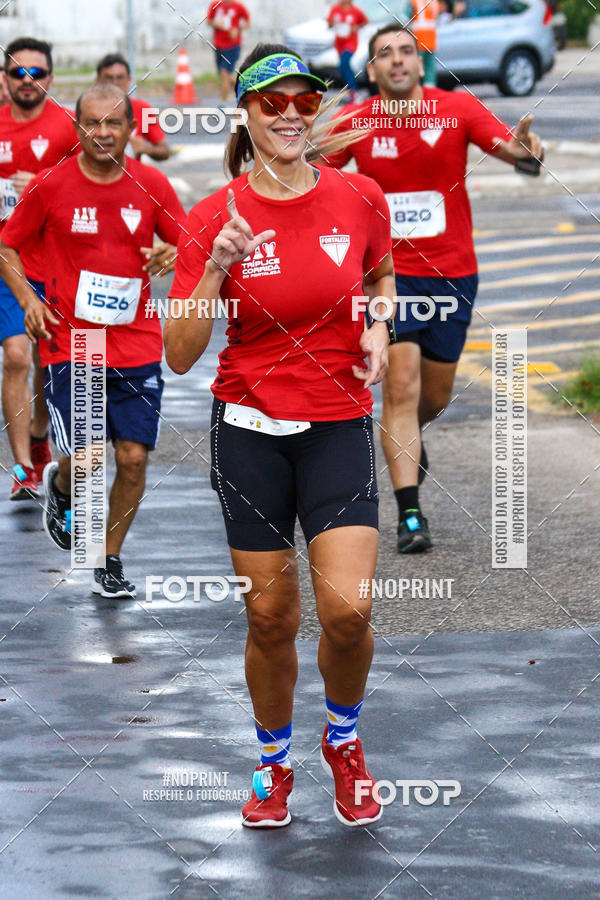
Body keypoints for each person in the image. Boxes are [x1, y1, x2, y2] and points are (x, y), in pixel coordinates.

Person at [164, 44, 395, 828]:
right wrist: (214, 269)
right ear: (248, 114)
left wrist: (378, 325)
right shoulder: (214, 216)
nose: (291, 113)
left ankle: (345, 741)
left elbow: (380, 272)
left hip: (336, 425)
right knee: (269, 618)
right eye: (273, 102)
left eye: (304, 100)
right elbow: (180, 353)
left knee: (348, 612)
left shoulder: (359, 195)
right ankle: (271, 763)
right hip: (250, 434)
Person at [325, 25, 542, 553]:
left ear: (420, 64)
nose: (397, 61)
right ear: (371, 71)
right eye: (384, 55)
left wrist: (530, 151)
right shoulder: (355, 122)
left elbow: (519, 155)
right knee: (400, 388)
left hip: (453, 274)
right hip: (387, 278)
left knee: (434, 397)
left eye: (406, 52)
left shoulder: (458, 109)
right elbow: (301, 182)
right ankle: (410, 516)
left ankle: (408, 442)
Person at [0, 82, 185, 597]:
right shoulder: (49, 185)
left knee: (131, 458)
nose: (103, 132)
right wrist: (29, 300)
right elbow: (6, 245)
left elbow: (187, 240)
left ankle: (110, 559)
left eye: (113, 123)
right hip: (73, 342)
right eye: (92, 123)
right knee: (84, 461)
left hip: (138, 342)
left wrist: (174, 253)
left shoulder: (152, 185)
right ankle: (60, 488)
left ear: (130, 128)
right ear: (77, 127)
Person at [0, 36, 79, 501]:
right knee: (15, 355)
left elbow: (101, 182)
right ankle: (24, 467)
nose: (27, 81)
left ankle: (37, 431)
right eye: (17, 73)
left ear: (51, 79)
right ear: (5, 79)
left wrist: (46, 184)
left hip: (54, 261)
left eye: (38, 74)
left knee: (50, 363)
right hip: (6, 258)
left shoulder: (70, 127)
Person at [96, 53, 171, 162]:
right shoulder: (87, 111)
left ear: (129, 79)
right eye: (109, 78)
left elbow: (164, 151)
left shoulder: (141, 109)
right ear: (97, 80)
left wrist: (146, 149)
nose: (115, 83)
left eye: (120, 77)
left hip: (130, 177)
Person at [206, 0, 250, 104]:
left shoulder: (238, 6)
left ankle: (222, 104)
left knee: (224, 74)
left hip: (233, 46)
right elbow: (208, 21)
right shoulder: (215, 5)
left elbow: (248, 23)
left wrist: (237, 29)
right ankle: (246, 88)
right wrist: (214, 23)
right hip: (218, 46)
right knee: (225, 76)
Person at [327, 0, 368, 104]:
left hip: (351, 42)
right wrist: (333, 23)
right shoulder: (335, 9)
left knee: (344, 64)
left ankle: (354, 92)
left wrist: (356, 27)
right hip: (339, 42)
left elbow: (365, 21)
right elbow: (329, 24)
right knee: (343, 68)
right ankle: (351, 92)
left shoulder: (355, 11)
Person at [411, 0, 438, 86]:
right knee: (429, 70)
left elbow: (404, 19)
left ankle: (415, 91)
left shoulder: (414, 2)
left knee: (416, 68)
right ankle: (430, 92)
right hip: (430, 42)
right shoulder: (434, 2)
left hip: (418, 42)